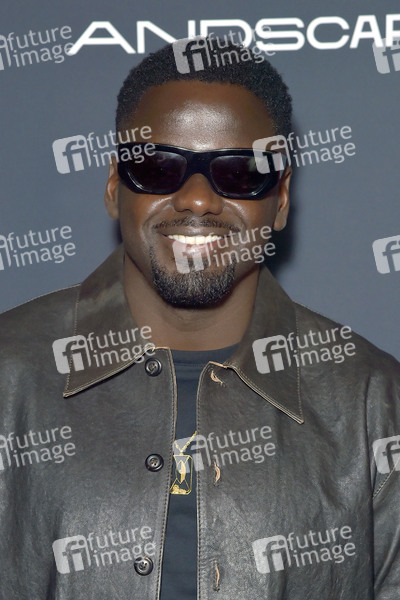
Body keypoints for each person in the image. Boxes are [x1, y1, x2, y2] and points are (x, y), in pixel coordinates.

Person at [0, 36, 399, 600]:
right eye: (158, 166)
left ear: (282, 197)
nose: (196, 199)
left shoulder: (373, 403)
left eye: (239, 173)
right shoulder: (9, 374)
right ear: (114, 185)